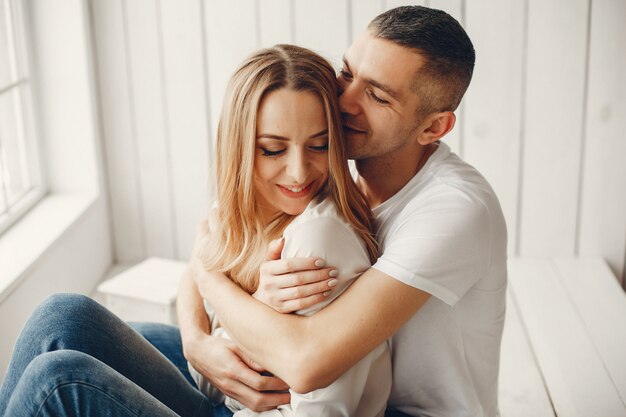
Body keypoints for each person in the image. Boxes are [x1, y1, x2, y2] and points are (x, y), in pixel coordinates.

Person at [0, 44, 390, 416]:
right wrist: (197, 340)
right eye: (272, 149)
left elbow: (296, 402)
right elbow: (201, 262)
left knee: (58, 382)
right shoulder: (250, 201)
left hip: (236, 407)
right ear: (238, 148)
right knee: (62, 316)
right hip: (216, 386)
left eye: (319, 145)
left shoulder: (315, 246)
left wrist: (233, 321)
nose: (299, 172)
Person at [180, 6, 507, 417]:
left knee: (72, 380)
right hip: (282, 381)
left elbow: (307, 362)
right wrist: (195, 341)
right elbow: (211, 238)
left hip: (395, 410)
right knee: (75, 319)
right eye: (348, 73)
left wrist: (210, 281)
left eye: (377, 95)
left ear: (432, 128)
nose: (344, 101)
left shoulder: (453, 210)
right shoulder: (331, 179)